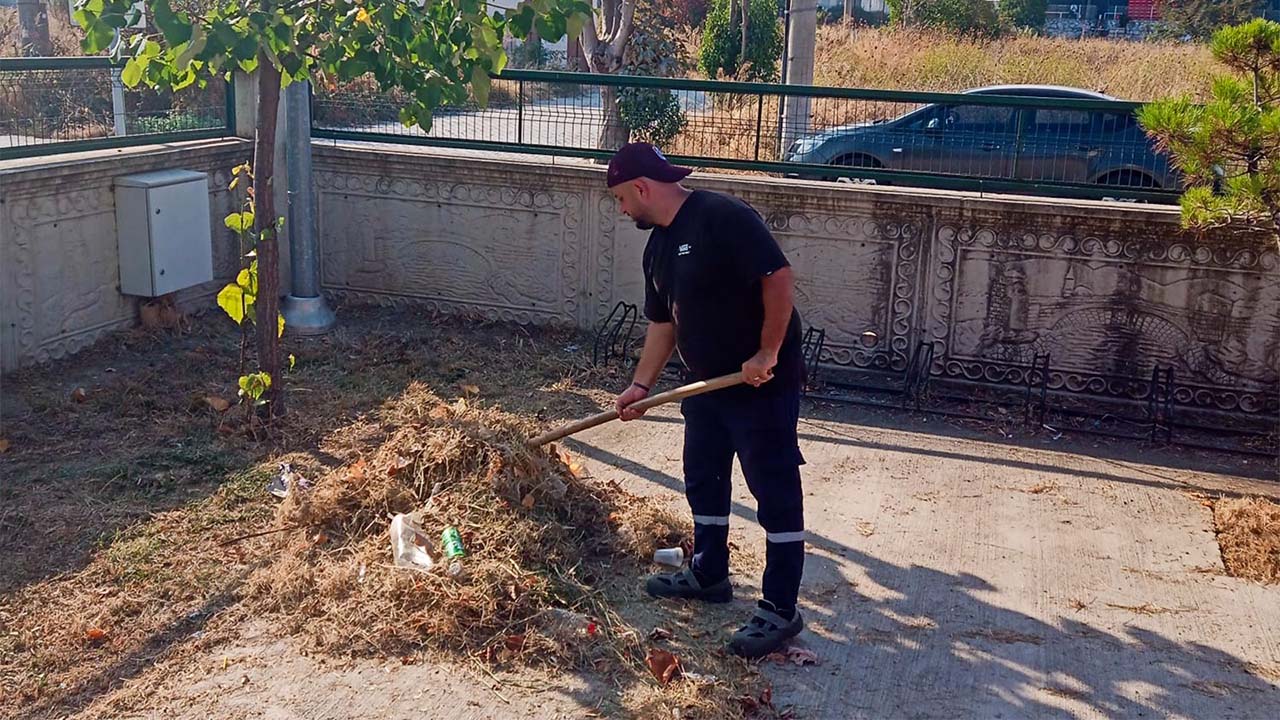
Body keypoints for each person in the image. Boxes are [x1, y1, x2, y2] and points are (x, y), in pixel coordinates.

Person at [606, 142, 807, 659]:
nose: (621, 209)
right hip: (705, 386)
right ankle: (710, 574)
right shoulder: (658, 248)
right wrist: (641, 387)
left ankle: (780, 609)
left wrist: (767, 351)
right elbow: (663, 323)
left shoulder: (722, 217)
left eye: (621, 199)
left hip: (759, 384)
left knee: (774, 490)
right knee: (704, 476)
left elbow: (778, 278)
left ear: (643, 188)